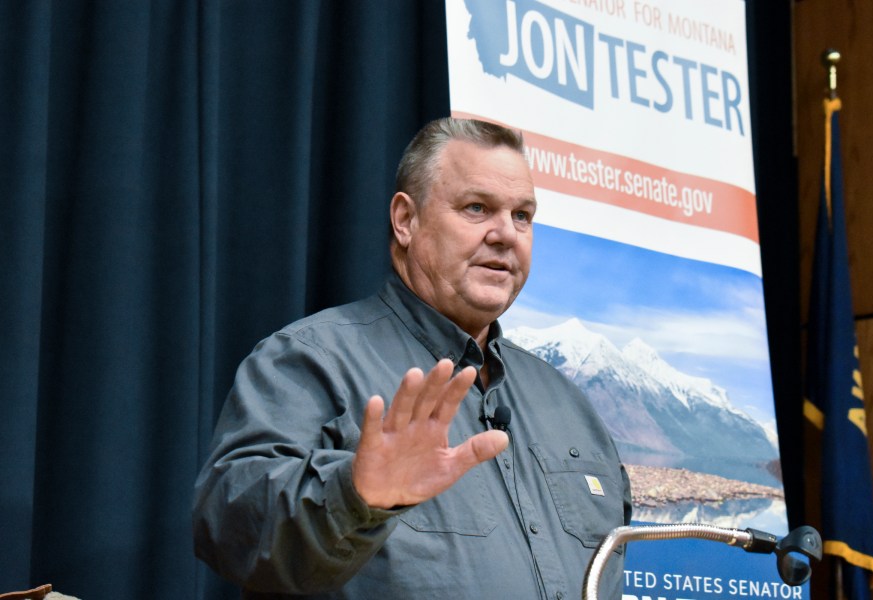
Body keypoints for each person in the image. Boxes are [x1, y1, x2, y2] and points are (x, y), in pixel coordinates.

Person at [193, 118, 632, 599]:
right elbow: (230, 526)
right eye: (477, 208)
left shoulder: (569, 403)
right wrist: (357, 495)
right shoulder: (311, 361)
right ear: (406, 220)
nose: (506, 234)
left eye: (523, 216)